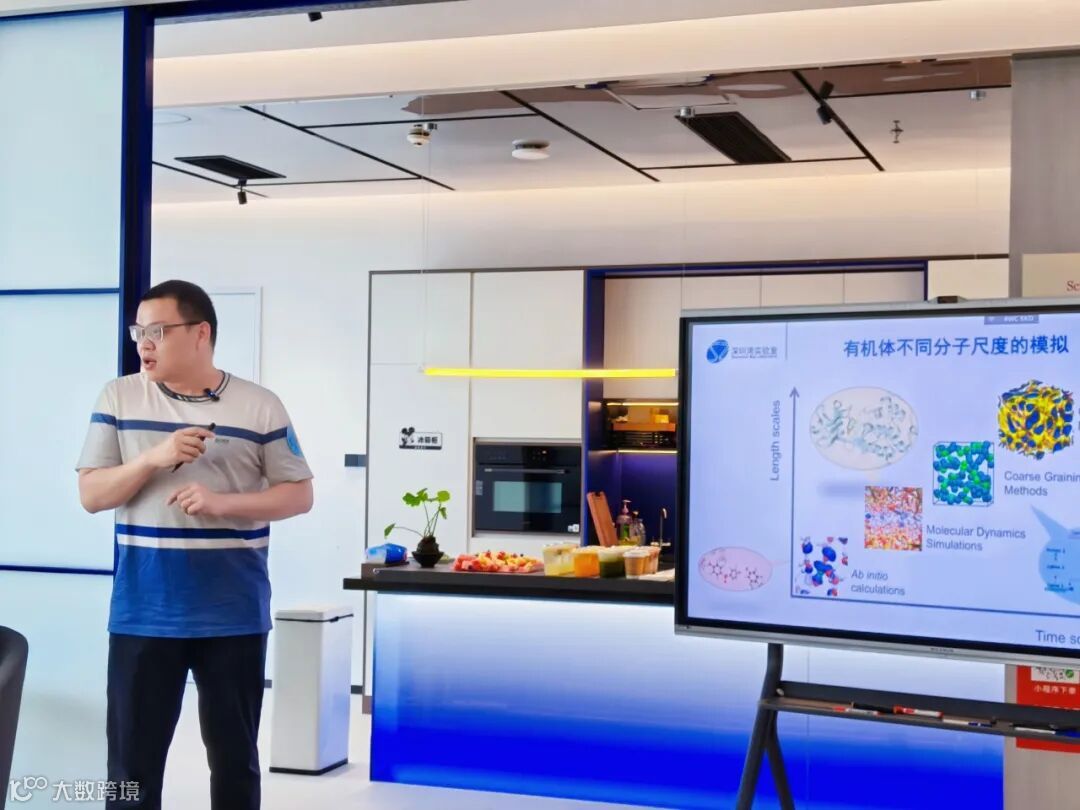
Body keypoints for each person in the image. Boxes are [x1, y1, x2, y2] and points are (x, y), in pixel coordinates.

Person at [76, 280, 314, 810]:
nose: (145, 343)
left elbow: (299, 495)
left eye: (158, 331)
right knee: (130, 771)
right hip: (144, 613)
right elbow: (92, 495)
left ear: (201, 333)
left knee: (235, 764)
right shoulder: (119, 396)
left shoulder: (260, 406)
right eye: (139, 331)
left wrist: (221, 503)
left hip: (233, 613)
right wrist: (153, 459)